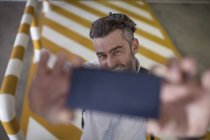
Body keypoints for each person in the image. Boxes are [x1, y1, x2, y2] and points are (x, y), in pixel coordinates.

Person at [29, 13, 210, 139]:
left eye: (116, 51)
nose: (110, 63)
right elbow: (57, 90)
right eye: (102, 56)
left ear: (134, 46)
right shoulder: (87, 76)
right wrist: (41, 103)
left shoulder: (156, 88)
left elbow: (181, 117)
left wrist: (190, 136)